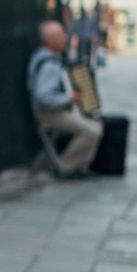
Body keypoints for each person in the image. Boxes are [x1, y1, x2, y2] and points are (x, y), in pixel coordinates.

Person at [29, 19, 101, 177]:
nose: (65, 38)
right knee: (92, 131)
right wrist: (68, 99)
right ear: (49, 40)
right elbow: (44, 97)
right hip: (50, 114)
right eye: (61, 35)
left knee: (95, 125)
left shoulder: (51, 58)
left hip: (55, 111)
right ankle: (65, 166)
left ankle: (79, 167)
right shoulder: (48, 64)